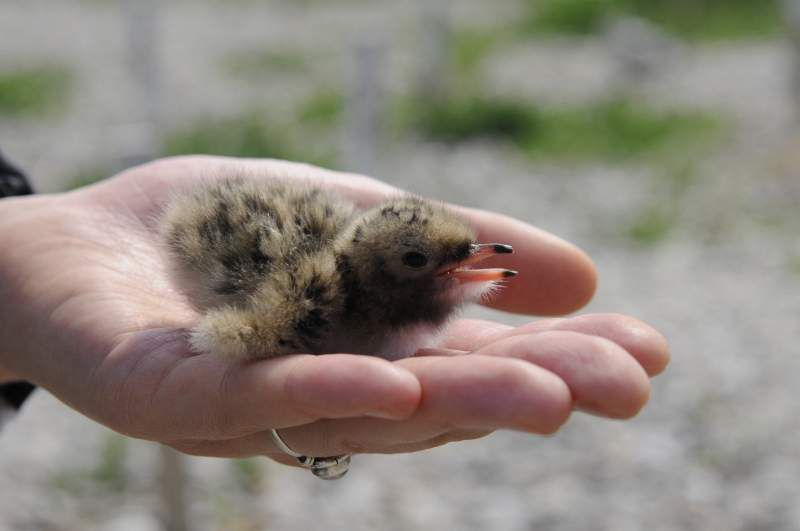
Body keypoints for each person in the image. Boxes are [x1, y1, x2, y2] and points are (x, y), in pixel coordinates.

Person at [0, 155, 669, 472]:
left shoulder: (378, 296)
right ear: (381, 279)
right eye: (419, 263)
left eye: (459, 257)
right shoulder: (311, 299)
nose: (463, 269)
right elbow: (232, 334)